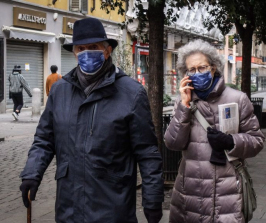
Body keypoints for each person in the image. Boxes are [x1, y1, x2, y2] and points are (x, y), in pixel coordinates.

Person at [19, 18, 164, 223]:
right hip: (69, 209)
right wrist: (31, 174)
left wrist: (152, 199)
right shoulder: (60, 91)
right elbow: (44, 138)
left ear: (107, 51)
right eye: (81, 48)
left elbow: (147, 152)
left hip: (113, 209)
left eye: (93, 47)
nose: (86, 53)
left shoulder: (131, 93)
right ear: (75, 53)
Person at [164, 39, 265, 223]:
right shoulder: (183, 102)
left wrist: (231, 142)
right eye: (191, 70)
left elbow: (257, 141)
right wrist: (184, 107)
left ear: (213, 68)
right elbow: (172, 143)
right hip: (190, 194)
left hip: (226, 194)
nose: (197, 73)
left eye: (201, 68)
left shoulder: (237, 99)